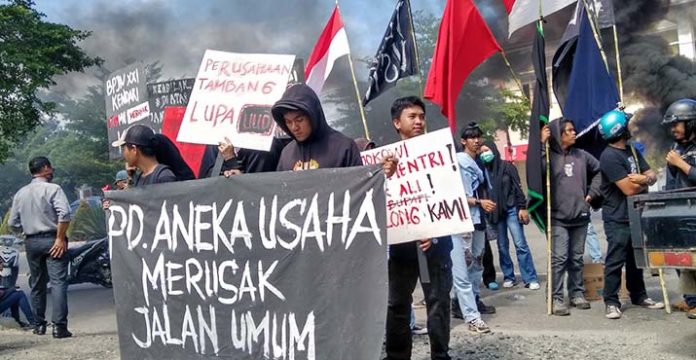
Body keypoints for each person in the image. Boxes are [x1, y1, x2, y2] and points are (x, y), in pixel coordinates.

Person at [384, 96, 453, 359]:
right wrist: (383, 175)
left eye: (421, 116)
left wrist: (435, 232)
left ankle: (440, 354)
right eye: (412, 116)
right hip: (401, 248)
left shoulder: (441, 154)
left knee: (438, 304)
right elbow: (380, 202)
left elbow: (449, 197)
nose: (419, 121)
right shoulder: (385, 160)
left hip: (437, 246)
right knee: (397, 305)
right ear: (396, 123)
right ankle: (397, 356)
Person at [597, 109, 664, 319]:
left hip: (636, 214)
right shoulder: (608, 157)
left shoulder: (632, 150)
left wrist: (644, 179)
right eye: (626, 124)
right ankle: (611, 301)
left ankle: (639, 295)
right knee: (615, 260)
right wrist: (643, 181)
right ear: (620, 129)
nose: (630, 127)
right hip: (617, 217)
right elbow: (629, 189)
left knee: (636, 258)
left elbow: (651, 173)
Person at [541, 118, 601, 315]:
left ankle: (576, 293)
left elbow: (600, 171)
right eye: (569, 130)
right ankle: (556, 298)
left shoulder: (582, 155)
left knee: (576, 259)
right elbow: (538, 173)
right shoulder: (549, 157)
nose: (574, 133)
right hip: (558, 218)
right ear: (560, 135)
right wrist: (542, 145)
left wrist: (591, 194)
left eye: (574, 130)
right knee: (559, 259)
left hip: (580, 216)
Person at [9, 156, 72, 338]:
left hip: (32, 242)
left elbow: (13, 222)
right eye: (50, 168)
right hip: (53, 239)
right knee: (59, 282)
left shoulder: (21, 193)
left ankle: (39, 325)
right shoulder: (53, 189)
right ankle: (59, 327)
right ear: (45, 168)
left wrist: (26, 234)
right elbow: (65, 214)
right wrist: (60, 238)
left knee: (37, 284)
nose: (52, 170)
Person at [450, 123, 497, 334]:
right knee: (463, 267)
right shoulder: (460, 162)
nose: (476, 141)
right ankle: (470, 315)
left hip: (478, 219)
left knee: (478, 262)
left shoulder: (478, 162)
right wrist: (479, 203)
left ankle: (473, 299)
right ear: (463, 141)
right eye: (471, 137)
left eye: (478, 137)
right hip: (464, 219)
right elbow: (458, 194)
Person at [480, 141, 540, 290]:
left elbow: (518, 188)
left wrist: (522, 207)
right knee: (502, 246)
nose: (484, 154)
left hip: (512, 208)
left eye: (486, 150)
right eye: (481, 152)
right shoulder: (483, 171)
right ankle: (509, 276)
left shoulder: (507, 167)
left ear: (493, 150)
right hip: (495, 212)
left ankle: (530, 278)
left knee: (520, 244)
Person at [271, 83, 362, 171]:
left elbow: (359, 184)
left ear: (313, 115)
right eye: (288, 122)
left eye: (299, 120)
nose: (294, 127)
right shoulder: (287, 155)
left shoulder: (343, 147)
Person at [662, 98, 696, 319]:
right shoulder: (677, 148)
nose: (673, 129)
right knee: (680, 257)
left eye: (677, 123)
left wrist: (681, 164)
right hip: (680, 211)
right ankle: (692, 300)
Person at [111, 124, 194, 186]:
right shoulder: (140, 177)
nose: (123, 154)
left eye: (124, 149)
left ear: (134, 149)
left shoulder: (164, 177)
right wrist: (132, 176)